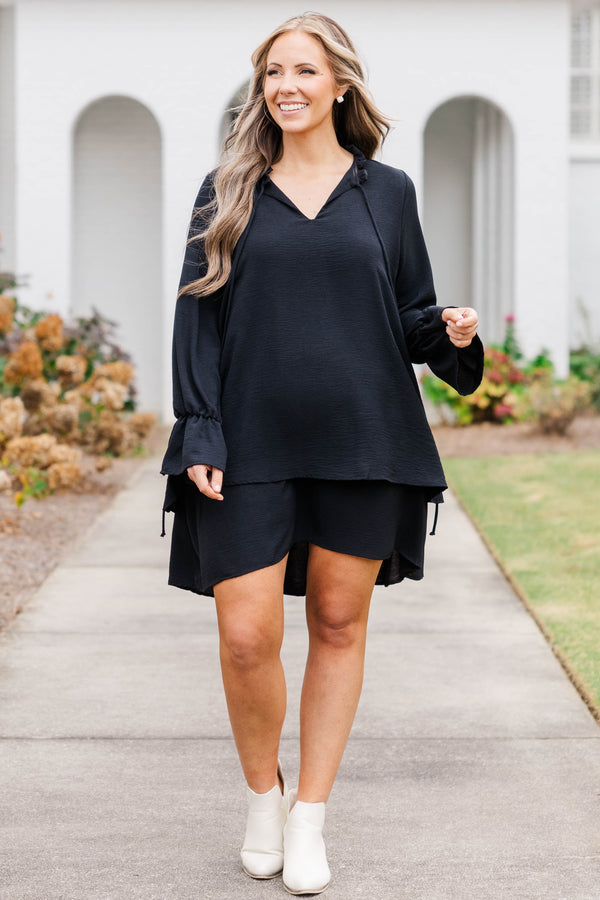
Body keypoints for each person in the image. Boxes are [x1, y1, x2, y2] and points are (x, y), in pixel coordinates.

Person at [160, 11, 483, 896]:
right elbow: (198, 318)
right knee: (245, 637)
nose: (286, 86)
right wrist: (200, 424)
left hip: (364, 438)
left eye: (303, 70)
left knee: (339, 625)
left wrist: (449, 331)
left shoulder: (389, 193)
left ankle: (309, 816)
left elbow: (409, 315)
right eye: (273, 72)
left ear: (341, 84)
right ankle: (261, 798)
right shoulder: (227, 188)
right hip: (247, 439)